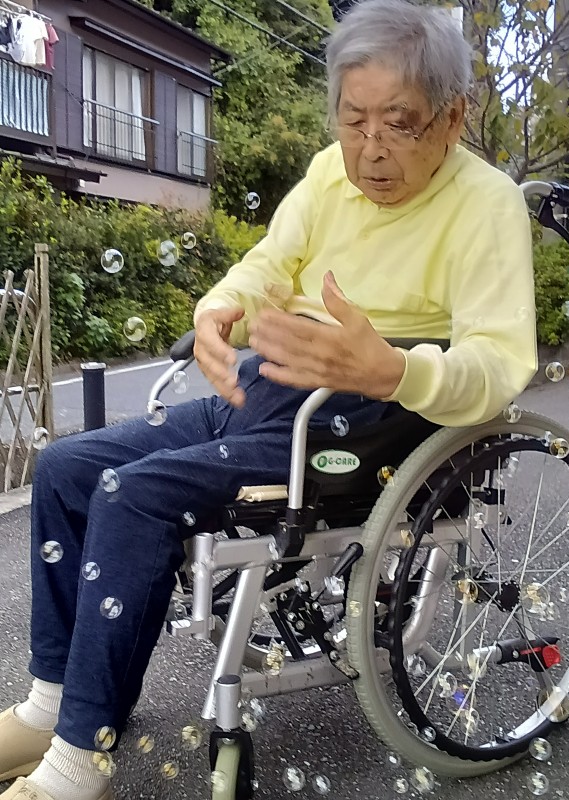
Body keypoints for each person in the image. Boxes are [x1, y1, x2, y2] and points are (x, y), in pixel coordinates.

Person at [0, 1, 537, 798]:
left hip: (370, 422)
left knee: (133, 493)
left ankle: (80, 760)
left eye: (399, 123)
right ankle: (52, 706)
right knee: (67, 468)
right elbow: (267, 266)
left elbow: (499, 364)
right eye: (353, 120)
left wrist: (393, 369)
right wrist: (220, 308)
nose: (371, 148)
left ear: (453, 117)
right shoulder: (328, 174)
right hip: (267, 389)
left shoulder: (487, 203)